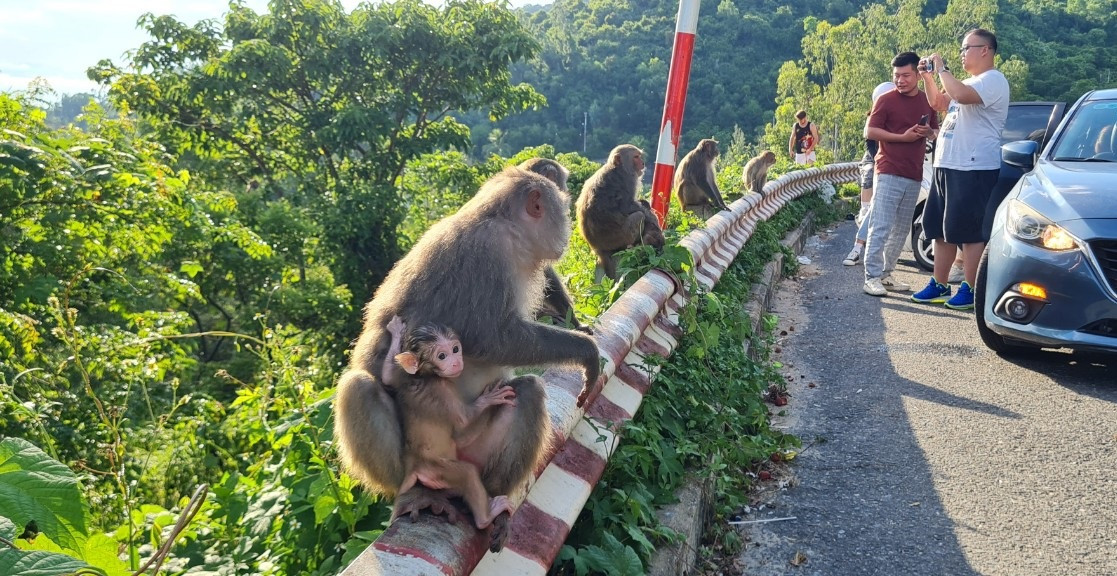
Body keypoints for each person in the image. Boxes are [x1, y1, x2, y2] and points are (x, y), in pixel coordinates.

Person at [911, 29, 1010, 310]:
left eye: (967, 48)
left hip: (973, 166)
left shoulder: (993, 80)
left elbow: (960, 95)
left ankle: (971, 287)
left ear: (985, 50)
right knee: (941, 229)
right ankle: (940, 284)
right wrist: (928, 77)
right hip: (948, 163)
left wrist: (942, 68)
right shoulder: (965, 81)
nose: (962, 53)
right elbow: (939, 103)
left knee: (968, 231)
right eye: (961, 49)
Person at [860, 52, 939, 297]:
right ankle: (871, 277)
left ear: (917, 74)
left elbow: (936, 131)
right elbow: (870, 131)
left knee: (901, 228)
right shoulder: (886, 100)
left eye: (906, 75)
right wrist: (901, 137)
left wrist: (927, 132)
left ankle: (886, 273)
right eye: (896, 76)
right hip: (888, 169)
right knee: (880, 225)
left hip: (914, 173)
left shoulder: (927, 100)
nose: (900, 80)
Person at [843, 81, 896, 266]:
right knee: (869, 206)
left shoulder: (901, 115)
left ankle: (872, 253)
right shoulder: (873, 118)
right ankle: (858, 248)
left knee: (879, 212)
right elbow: (873, 150)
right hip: (876, 161)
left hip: (894, 164)